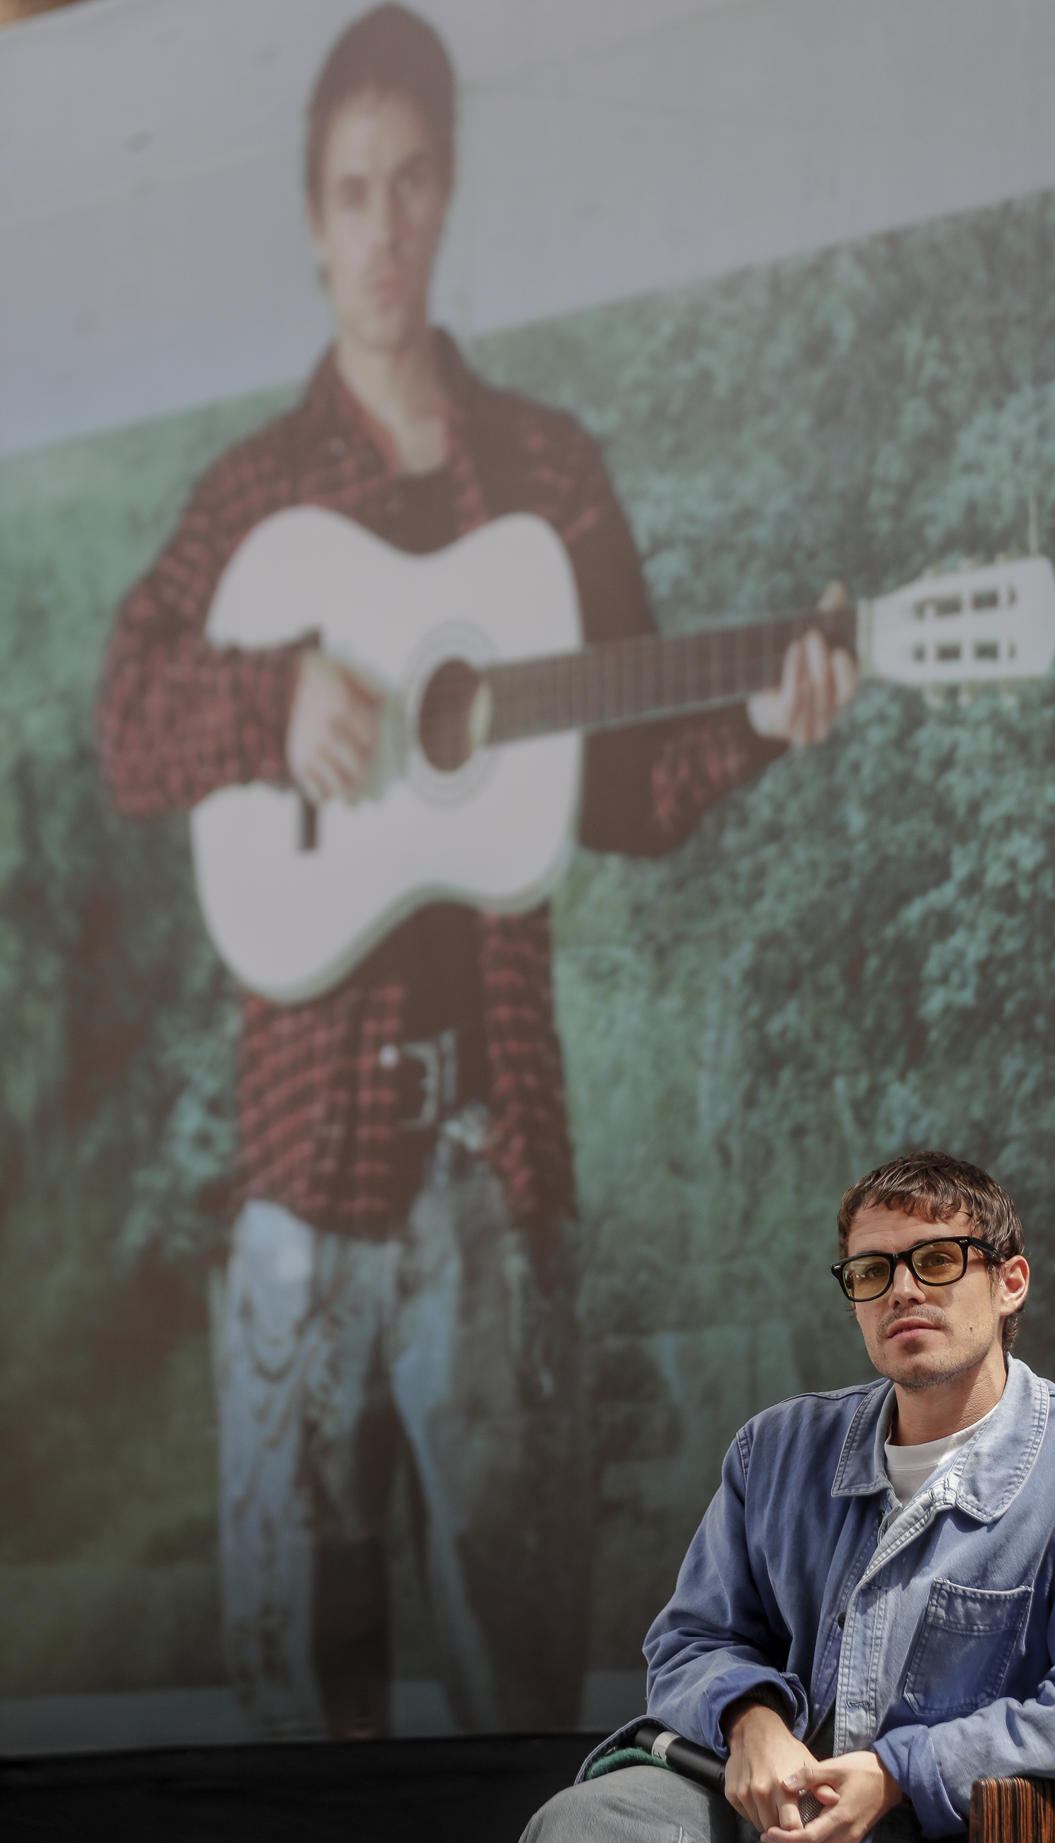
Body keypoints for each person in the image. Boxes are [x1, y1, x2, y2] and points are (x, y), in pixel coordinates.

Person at [96, 4, 855, 1741]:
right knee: (299, 1714)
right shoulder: (258, 495)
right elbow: (134, 718)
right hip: (298, 1196)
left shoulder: (547, 474)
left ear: (448, 198)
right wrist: (270, 695)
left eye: (411, 181)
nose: (381, 223)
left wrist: (761, 720)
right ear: (311, 216)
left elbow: (629, 791)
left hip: (493, 1171)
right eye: (349, 190)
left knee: (520, 1706)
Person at [506, 1149, 1055, 1843]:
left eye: (936, 1260)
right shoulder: (774, 1451)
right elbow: (691, 1640)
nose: (902, 1289)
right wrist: (751, 1722)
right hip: (744, 1798)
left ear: (1010, 1283)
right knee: (580, 1827)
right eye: (872, 1271)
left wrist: (899, 1771)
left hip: (940, 1842)